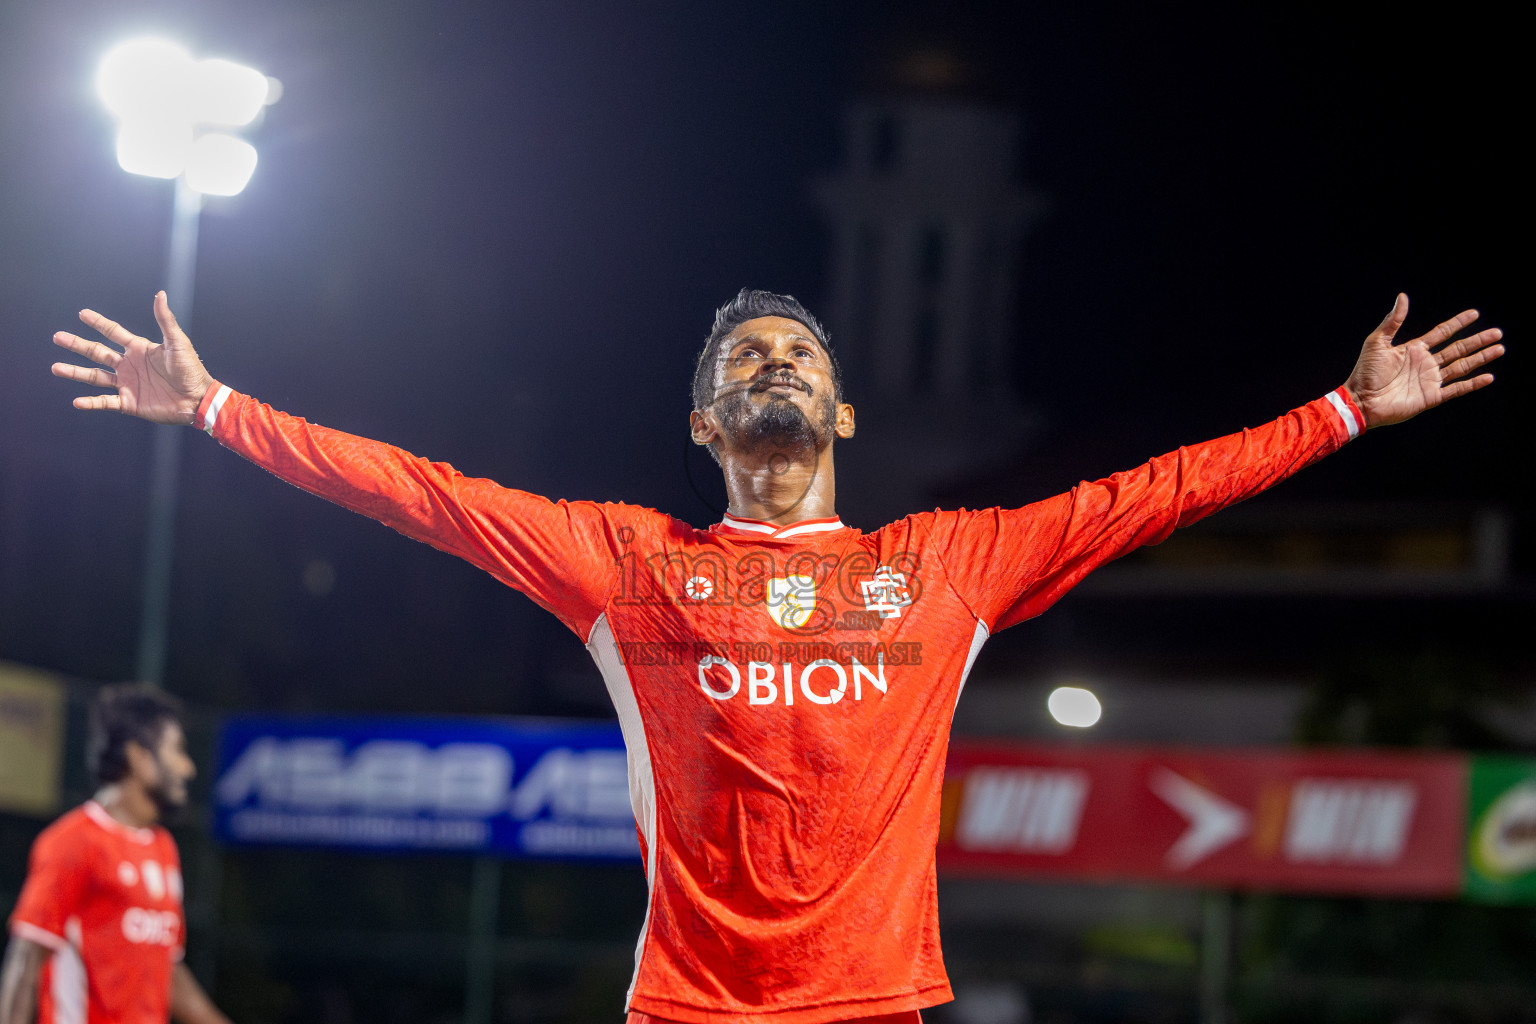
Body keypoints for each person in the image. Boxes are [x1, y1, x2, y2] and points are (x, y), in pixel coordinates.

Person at [48, 289, 1501, 1024]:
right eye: (745, 359)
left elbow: (1152, 494)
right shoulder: (629, 567)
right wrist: (223, 407)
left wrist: (1346, 415)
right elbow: (421, 492)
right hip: (689, 1010)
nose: (776, 366)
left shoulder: (944, 565)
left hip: (879, 1006)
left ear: (846, 417)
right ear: (704, 428)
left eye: (799, 353)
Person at [0, 684, 234, 1024]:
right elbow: (26, 959)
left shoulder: (162, 847)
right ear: (139, 757)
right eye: (177, 751)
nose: (187, 768)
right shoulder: (74, 841)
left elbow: (165, 968)